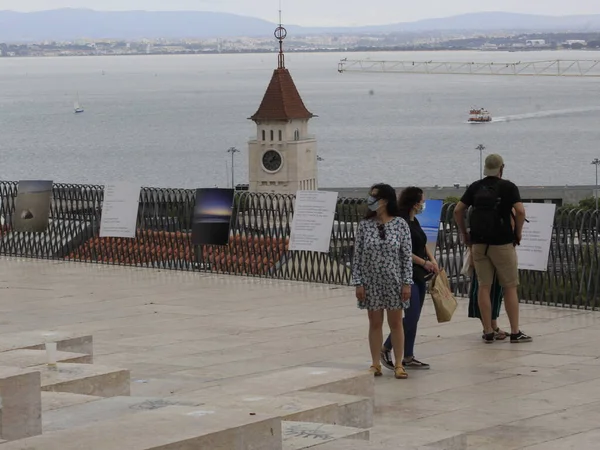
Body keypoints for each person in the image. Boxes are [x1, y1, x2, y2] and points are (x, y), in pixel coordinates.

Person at [454, 154, 532, 344]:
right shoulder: (508, 187)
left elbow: (458, 210)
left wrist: (465, 233)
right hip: (502, 243)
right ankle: (515, 332)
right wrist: (518, 232)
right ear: (501, 168)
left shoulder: (475, 187)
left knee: (484, 286)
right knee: (510, 287)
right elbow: (520, 211)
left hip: (479, 244)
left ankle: (488, 330)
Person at [351, 183, 413, 379]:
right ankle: (375, 363)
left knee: (396, 323)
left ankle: (398, 364)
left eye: (375, 196)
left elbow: (406, 256)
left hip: (394, 281)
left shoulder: (400, 224)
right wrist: (358, 282)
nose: (371, 200)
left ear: (385, 200)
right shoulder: (364, 226)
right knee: (374, 322)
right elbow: (358, 256)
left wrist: (406, 282)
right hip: (371, 282)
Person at [380, 187, 439, 371]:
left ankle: (408, 355)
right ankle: (386, 347)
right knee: (410, 315)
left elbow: (422, 243)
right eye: (422, 201)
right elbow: (403, 250)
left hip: (420, 273)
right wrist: (424, 262)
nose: (424, 204)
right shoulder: (400, 222)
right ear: (415, 203)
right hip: (406, 272)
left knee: (415, 317)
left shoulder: (415, 221)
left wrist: (433, 260)